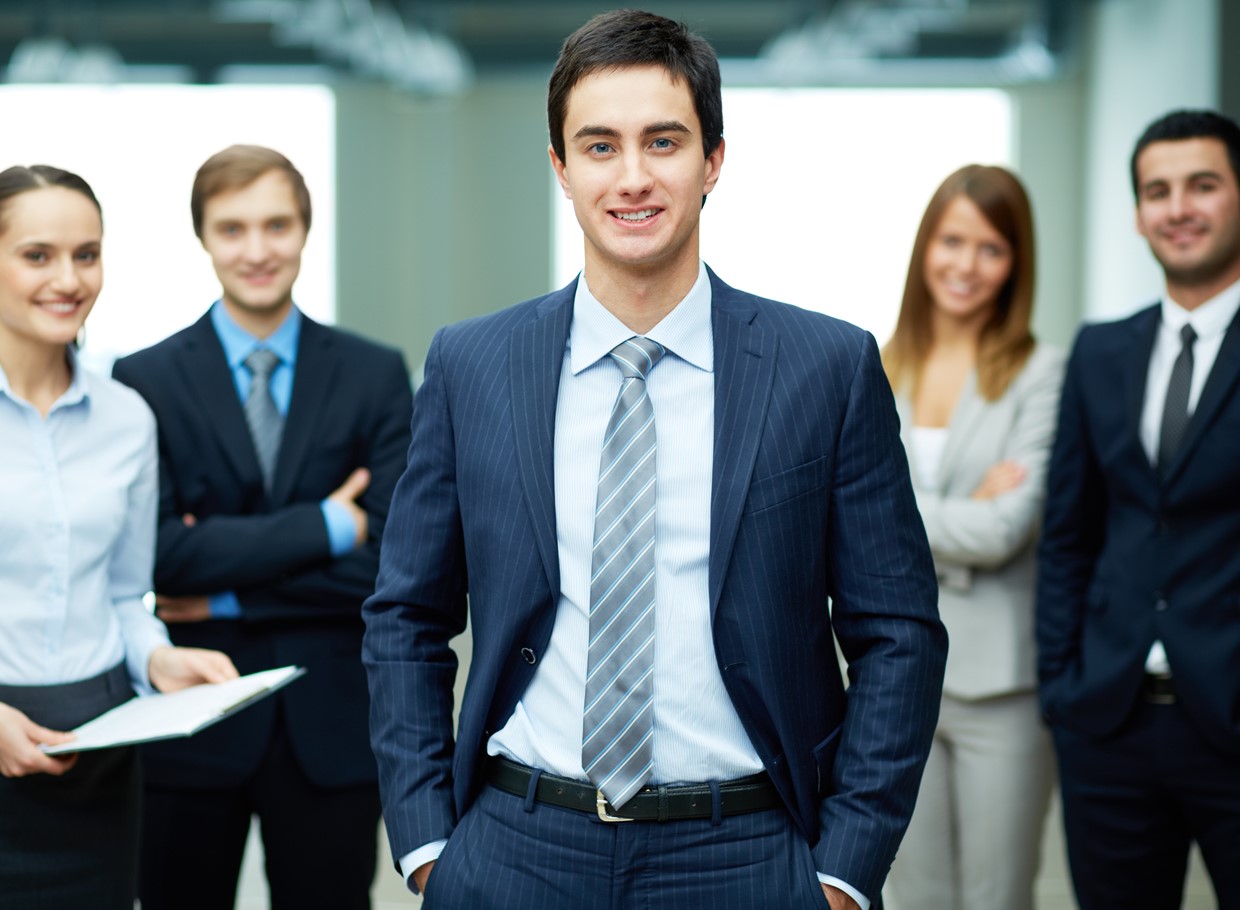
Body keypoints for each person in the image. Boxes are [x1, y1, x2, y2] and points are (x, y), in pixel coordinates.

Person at [363, 10, 947, 910]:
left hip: (750, 854)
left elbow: (898, 631)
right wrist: (428, 841)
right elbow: (406, 615)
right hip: (516, 849)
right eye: (599, 146)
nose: (632, 177)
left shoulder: (824, 368)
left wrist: (842, 870)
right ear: (560, 167)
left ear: (714, 160)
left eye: (663, 141)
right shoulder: (472, 365)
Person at [112, 145, 413, 910]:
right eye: (233, 228)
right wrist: (325, 525)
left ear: (305, 230)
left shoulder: (374, 373)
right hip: (189, 731)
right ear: (204, 237)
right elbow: (161, 558)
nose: (257, 250)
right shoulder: (144, 380)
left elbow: (392, 564)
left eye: (276, 225)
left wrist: (223, 599)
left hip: (334, 727)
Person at [0, 164, 238, 909]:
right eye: (37, 255)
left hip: (101, 744)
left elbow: (121, 591)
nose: (68, 279)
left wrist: (159, 657)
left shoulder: (127, 417)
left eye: (87, 254)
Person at [1037, 108, 1240, 909]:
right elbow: (1068, 532)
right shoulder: (1100, 350)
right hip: (1108, 721)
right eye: (1158, 190)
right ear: (1138, 214)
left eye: (1203, 185)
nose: (1178, 207)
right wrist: (1062, 684)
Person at [880, 165, 1063, 910]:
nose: (966, 264)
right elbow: (834, 523)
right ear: (926, 247)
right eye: (952, 241)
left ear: (1016, 263)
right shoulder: (876, 365)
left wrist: (891, 513)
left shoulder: (1042, 374)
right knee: (909, 895)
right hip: (891, 680)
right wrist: (947, 513)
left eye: (991, 248)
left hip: (1000, 686)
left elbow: (1004, 530)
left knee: (997, 896)